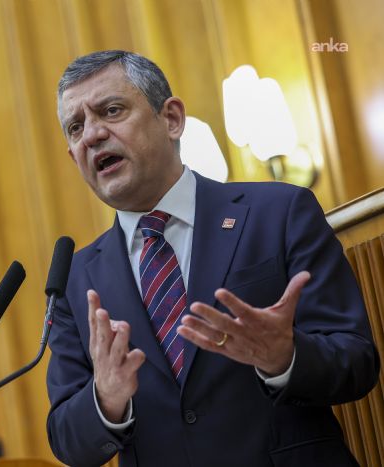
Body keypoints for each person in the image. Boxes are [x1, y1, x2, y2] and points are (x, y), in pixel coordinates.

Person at [45, 50, 379, 467]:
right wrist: (105, 401)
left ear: (171, 119)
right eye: (76, 127)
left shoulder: (279, 212)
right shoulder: (75, 280)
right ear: (73, 156)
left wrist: (285, 357)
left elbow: (357, 361)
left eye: (111, 111)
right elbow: (67, 441)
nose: (92, 135)